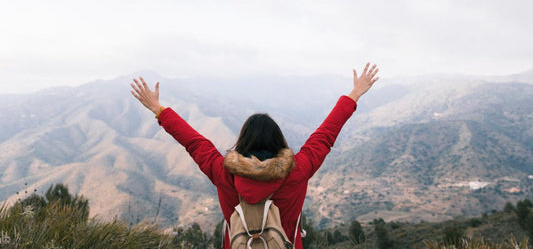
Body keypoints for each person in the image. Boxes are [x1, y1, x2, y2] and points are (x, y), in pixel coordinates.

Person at [131, 63, 379, 249]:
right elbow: (326, 134)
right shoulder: (298, 170)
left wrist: (158, 109)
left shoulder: (223, 172)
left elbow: (194, 143)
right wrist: (354, 94)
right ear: (279, 141)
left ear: (242, 141)